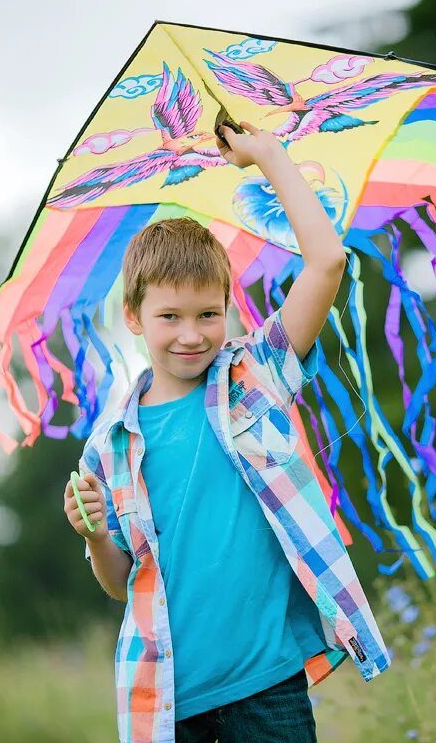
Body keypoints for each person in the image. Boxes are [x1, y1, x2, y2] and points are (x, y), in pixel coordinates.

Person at [62, 121, 389, 743]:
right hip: (167, 701)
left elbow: (326, 261)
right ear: (133, 317)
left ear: (227, 306)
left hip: (267, 684)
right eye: (170, 317)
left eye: (208, 314)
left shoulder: (253, 376)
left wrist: (268, 156)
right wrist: (98, 533)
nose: (192, 335)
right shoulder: (109, 446)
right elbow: (119, 583)